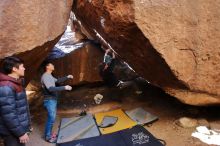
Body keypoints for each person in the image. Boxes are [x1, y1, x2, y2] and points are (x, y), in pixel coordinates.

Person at [0, 57, 32, 146]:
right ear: (14, 69)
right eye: (22, 66)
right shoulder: (6, 86)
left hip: (17, 129)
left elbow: (21, 107)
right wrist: (20, 133)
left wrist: (27, 126)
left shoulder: (16, 83)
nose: (24, 68)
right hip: (11, 133)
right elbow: (9, 114)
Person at [41, 62, 73, 143]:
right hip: (49, 100)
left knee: (51, 118)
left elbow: (58, 80)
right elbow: (51, 89)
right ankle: (48, 137)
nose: (53, 65)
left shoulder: (50, 76)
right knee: (51, 118)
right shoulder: (45, 76)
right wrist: (64, 87)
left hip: (53, 99)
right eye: (52, 65)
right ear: (47, 66)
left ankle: (49, 134)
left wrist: (67, 77)